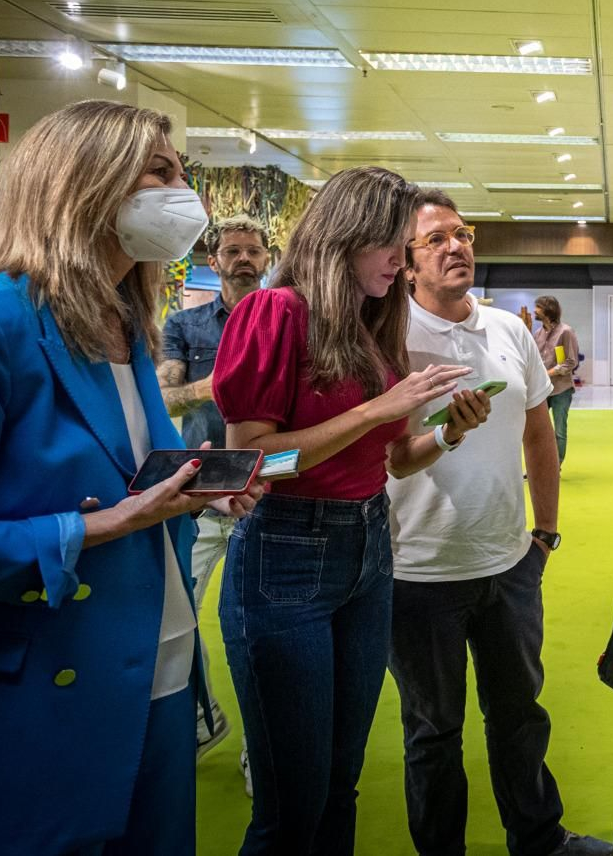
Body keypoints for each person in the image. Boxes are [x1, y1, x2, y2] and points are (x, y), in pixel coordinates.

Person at [0, 99, 261, 854]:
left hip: (156, 670)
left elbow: (129, 482)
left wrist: (188, 493)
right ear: (85, 183)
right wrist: (93, 527)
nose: (184, 191)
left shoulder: (126, 323)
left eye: (182, 171)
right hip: (42, 689)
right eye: (161, 170)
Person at [213, 167, 488, 854]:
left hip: (368, 547)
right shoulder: (274, 312)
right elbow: (255, 461)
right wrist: (377, 408)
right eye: (390, 246)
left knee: (341, 783)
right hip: (286, 554)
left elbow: (395, 460)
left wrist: (449, 431)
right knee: (293, 804)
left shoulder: (371, 324)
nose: (401, 263)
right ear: (346, 237)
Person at [387, 191, 612, 856]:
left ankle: (539, 839)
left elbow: (540, 436)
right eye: (436, 240)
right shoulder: (389, 336)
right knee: (433, 733)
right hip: (418, 571)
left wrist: (544, 534)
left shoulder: (509, 331)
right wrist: (447, 438)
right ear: (405, 263)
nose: (455, 246)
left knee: (519, 716)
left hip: (511, 565)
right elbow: (392, 459)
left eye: (462, 234)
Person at [159, 213, 270, 783]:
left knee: (263, 630)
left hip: (266, 490)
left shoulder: (285, 320)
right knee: (174, 619)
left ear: (267, 258)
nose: (244, 259)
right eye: (233, 251)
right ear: (214, 260)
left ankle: (263, 748)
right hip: (200, 490)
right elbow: (168, 399)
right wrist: (226, 376)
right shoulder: (184, 325)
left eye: (253, 250)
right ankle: (202, 719)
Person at [532, 296, 579, 466]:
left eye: (538, 307)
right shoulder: (537, 334)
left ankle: (555, 466)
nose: (534, 310)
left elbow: (570, 362)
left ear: (548, 310)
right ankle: (538, 465)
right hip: (541, 390)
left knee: (559, 431)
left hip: (561, 389)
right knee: (538, 430)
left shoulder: (565, 332)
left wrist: (548, 373)